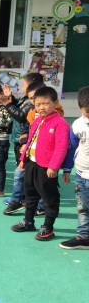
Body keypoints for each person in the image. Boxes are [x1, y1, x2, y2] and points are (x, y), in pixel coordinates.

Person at [11, 86, 70, 241]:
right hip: (32, 164)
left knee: (50, 198)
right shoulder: (37, 121)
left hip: (46, 167)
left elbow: (61, 147)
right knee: (30, 195)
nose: (42, 107)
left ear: (55, 103)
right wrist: (23, 159)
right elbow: (30, 141)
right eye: (38, 104)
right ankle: (28, 221)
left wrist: (54, 166)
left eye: (46, 103)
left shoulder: (60, 123)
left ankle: (48, 227)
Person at [2, 74, 44, 214]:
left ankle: (39, 205)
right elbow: (27, 128)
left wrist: (8, 104)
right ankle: (17, 200)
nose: (34, 102)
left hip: (40, 153)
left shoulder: (49, 113)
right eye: (31, 98)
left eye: (24, 84)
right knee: (19, 172)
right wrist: (24, 142)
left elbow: (20, 116)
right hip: (25, 147)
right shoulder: (31, 109)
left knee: (38, 179)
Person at [61, 86, 89, 249]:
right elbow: (72, 147)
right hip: (81, 174)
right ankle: (83, 237)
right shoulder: (78, 124)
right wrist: (67, 169)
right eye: (87, 111)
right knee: (82, 207)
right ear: (81, 108)